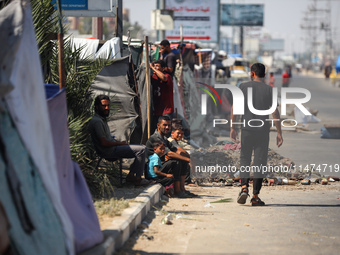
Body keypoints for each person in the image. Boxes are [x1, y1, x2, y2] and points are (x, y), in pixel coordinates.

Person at [230, 63, 283, 206]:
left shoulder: (243, 87)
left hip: (246, 130)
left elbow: (235, 108)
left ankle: (244, 187)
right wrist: (279, 132)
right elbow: (275, 113)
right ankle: (255, 196)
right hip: (262, 131)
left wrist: (233, 127)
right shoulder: (269, 90)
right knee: (260, 162)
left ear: (252, 73)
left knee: (245, 158)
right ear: (264, 75)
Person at [88, 95, 148, 186]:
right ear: (97, 107)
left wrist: (117, 142)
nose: (107, 108)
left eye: (108, 105)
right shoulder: (97, 121)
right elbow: (104, 143)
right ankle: (137, 178)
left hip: (113, 147)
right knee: (142, 150)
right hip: (109, 151)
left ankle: (132, 175)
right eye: (104, 106)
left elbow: (107, 139)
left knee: (142, 148)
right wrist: (120, 143)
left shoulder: (101, 119)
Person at [146, 116, 195, 198]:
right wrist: (188, 159)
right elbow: (169, 153)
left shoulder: (164, 138)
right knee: (176, 162)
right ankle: (177, 191)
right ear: (158, 125)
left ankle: (182, 189)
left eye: (169, 125)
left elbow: (176, 150)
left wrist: (189, 158)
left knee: (182, 160)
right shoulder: (155, 138)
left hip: (162, 165)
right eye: (165, 125)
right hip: (154, 169)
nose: (167, 127)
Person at [150, 60, 174, 132]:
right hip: (157, 111)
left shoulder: (167, 76)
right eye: (154, 66)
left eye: (157, 66)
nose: (155, 68)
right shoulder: (153, 77)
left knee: (166, 131)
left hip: (166, 111)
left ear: (163, 68)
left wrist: (152, 68)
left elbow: (163, 78)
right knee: (157, 131)